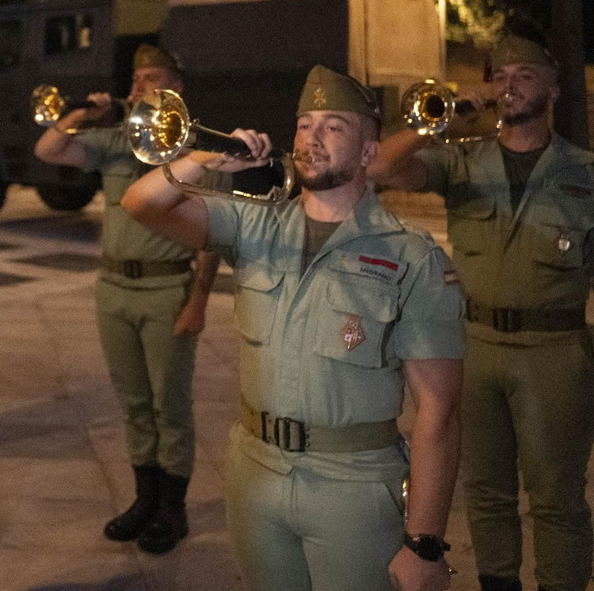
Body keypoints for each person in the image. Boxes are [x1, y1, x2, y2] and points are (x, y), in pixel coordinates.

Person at [122, 65, 464, 591]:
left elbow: (438, 411)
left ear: (369, 152)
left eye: (333, 126)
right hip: (254, 472)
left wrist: (424, 543)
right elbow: (141, 204)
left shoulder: (409, 256)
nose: (312, 138)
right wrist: (204, 158)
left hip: (353, 485)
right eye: (304, 124)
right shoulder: (255, 225)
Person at [368, 36, 594, 591]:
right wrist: (439, 116)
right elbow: (379, 168)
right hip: (473, 344)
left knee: (556, 497)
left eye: (525, 74)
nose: (509, 83)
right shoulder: (463, 160)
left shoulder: (585, 172)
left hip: (554, 351)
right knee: (486, 492)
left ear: (553, 92)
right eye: (500, 75)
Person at [30, 43, 220, 553]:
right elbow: (48, 150)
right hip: (113, 287)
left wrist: (199, 298)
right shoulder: (117, 141)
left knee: (169, 405)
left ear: (176, 87)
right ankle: (144, 500)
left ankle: (172, 509)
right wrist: (86, 112)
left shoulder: (193, 150)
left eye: (152, 77)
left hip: (167, 288)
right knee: (134, 402)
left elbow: (213, 235)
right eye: (136, 80)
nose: (139, 88)